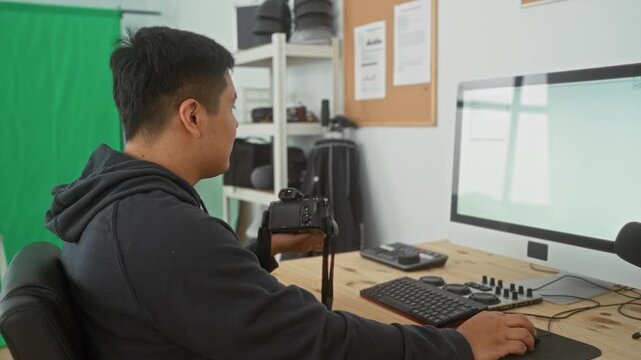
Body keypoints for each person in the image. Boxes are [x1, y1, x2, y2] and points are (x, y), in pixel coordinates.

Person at [45, 26, 537, 360]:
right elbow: (316, 341)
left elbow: (187, 293)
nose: (237, 126)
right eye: (233, 109)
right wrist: (459, 345)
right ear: (193, 117)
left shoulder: (114, 204)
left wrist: (259, 253)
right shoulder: (160, 230)